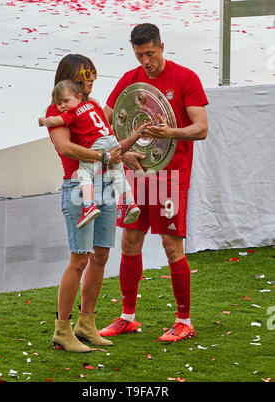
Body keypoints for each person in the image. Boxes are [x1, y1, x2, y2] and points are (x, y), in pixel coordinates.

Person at [99, 23, 209, 342]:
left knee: (171, 245)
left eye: (149, 53)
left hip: (171, 175)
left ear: (162, 46)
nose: (145, 62)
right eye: (139, 55)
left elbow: (201, 128)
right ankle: (127, 318)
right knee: (130, 243)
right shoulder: (130, 80)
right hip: (137, 176)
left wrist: (170, 133)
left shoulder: (185, 78)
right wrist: (122, 153)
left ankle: (183, 321)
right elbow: (105, 121)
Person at [44, 54, 123, 353]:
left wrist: (128, 150)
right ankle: (62, 330)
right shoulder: (56, 111)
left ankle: (86, 323)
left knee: (100, 256)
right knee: (79, 259)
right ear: (71, 76)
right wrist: (104, 157)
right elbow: (65, 147)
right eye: (86, 74)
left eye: (93, 73)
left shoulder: (92, 106)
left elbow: (109, 141)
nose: (91, 79)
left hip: (105, 184)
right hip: (79, 187)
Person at [39, 80, 141, 229]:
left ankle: (88, 206)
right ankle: (130, 203)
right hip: (110, 139)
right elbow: (103, 116)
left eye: (66, 101)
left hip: (97, 144)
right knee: (118, 173)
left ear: (79, 98)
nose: (62, 106)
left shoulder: (73, 113)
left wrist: (43, 121)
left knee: (84, 173)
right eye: (59, 104)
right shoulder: (93, 105)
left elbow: (55, 121)